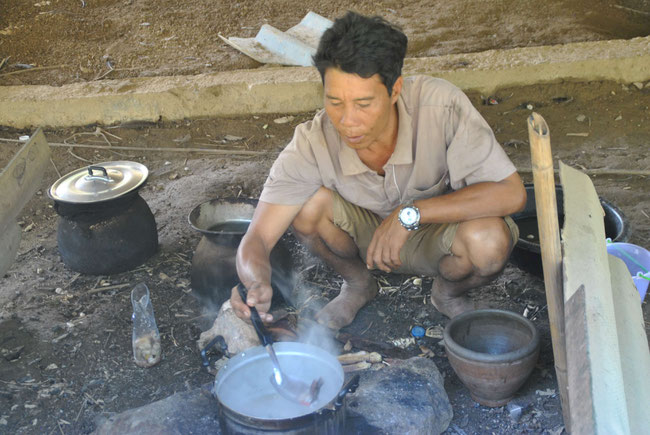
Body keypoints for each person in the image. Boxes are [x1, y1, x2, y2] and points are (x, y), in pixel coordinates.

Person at [230, 11, 526, 330]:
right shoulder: (313, 140)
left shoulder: (440, 106)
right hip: (366, 241)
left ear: (395, 90)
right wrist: (254, 282)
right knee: (307, 207)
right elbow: (257, 237)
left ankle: (448, 294)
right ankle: (358, 284)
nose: (347, 120)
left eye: (363, 103)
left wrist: (411, 213)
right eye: (335, 102)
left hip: (437, 235)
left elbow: (511, 193)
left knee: (490, 241)